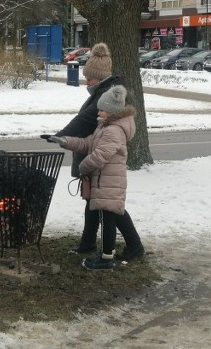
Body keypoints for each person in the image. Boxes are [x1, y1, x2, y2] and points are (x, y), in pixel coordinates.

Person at [50, 42, 144, 262]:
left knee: (110, 208)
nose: (87, 82)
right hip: (97, 163)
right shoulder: (103, 94)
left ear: (100, 77)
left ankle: (126, 248)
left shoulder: (107, 97)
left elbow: (85, 120)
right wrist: (64, 140)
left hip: (103, 167)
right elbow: (87, 138)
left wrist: (65, 136)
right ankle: (90, 242)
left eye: (90, 78)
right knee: (95, 203)